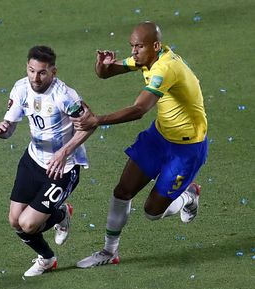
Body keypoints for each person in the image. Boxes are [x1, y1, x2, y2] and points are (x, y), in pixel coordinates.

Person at [73, 21, 208, 268]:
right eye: (132, 46)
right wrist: (102, 65)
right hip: (159, 137)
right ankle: (109, 252)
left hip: (187, 149)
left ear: (155, 45)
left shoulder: (166, 69)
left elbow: (138, 110)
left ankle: (188, 196)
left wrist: (96, 120)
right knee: (122, 191)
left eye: (139, 46)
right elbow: (106, 73)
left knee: (152, 212)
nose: (133, 52)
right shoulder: (148, 58)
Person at [0, 45, 95, 277]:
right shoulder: (21, 88)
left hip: (63, 168)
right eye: (31, 71)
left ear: (53, 72)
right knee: (14, 221)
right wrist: (3, 130)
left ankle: (59, 215)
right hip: (33, 160)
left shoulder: (65, 96)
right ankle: (48, 258)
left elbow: (90, 125)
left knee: (28, 224)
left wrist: (64, 152)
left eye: (42, 73)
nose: (35, 78)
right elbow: (10, 127)